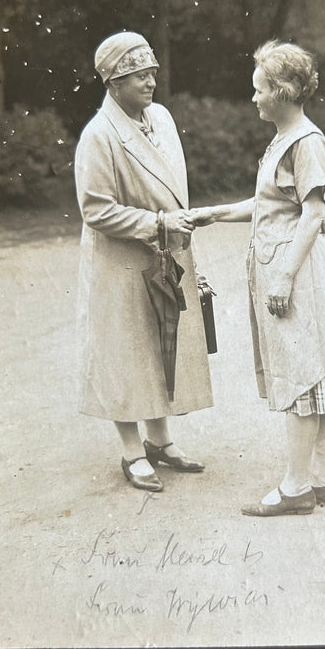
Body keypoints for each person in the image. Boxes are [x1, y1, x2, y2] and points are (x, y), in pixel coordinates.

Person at [192, 40, 325, 516]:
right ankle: (321, 479)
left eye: (259, 89)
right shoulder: (285, 140)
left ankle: (295, 487)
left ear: (282, 92)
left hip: (300, 275)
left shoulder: (306, 142)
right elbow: (272, 204)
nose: (254, 98)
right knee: (313, 376)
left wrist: (283, 278)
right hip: (289, 268)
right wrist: (214, 213)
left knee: (304, 377)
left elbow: (312, 214)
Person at [75, 31, 213, 493]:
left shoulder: (163, 119)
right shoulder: (99, 135)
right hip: (122, 260)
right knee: (125, 350)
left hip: (166, 253)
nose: (150, 81)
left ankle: (160, 441)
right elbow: (95, 209)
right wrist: (159, 224)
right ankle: (132, 451)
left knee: (162, 344)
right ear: (114, 82)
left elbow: (175, 189)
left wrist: (177, 233)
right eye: (138, 75)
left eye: (151, 71)